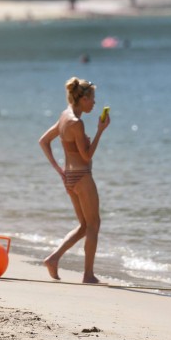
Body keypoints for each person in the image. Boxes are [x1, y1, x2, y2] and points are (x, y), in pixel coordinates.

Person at [38, 77, 110, 283]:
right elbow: (87, 156)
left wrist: (59, 170)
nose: (95, 103)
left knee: (84, 226)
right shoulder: (76, 123)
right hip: (82, 177)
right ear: (84, 99)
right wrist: (100, 131)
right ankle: (88, 275)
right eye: (92, 99)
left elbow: (43, 141)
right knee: (94, 224)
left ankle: (53, 259)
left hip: (70, 178)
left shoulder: (64, 116)